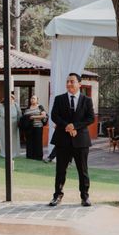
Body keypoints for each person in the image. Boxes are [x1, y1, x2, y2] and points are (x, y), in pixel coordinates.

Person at [49, 73, 95, 207]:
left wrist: (75, 126)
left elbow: (90, 118)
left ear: (79, 84)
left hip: (81, 141)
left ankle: (85, 197)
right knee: (60, 170)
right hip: (62, 141)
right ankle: (57, 195)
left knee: (83, 170)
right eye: (67, 81)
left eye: (72, 81)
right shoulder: (59, 99)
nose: (69, 84)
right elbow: (54, 116)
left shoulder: (87, 100)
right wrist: (67, 126)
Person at [0, 93, 23, 158]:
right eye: (9, 98)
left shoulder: (16, 105)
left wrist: (19, 123)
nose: (10, 99)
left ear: (13, 99)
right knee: (4, 138)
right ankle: (4, 153)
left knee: (14, 138)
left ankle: (14, 153)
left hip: (14, 124)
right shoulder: (0, 105)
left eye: (12, 98)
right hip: (3, 124)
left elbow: (19, 114)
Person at [22, 95, 47, 160]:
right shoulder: (28, 108)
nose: (32, 99)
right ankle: (30, 156)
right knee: (29, 141)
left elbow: (43, 115)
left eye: (34, 98)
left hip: (38, 126)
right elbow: (24, 117)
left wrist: (33, 117)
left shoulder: (40, 107)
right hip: (29, 127)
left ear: (37, 100)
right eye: (31, 98)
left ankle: (38, 157)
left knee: (38, 142)